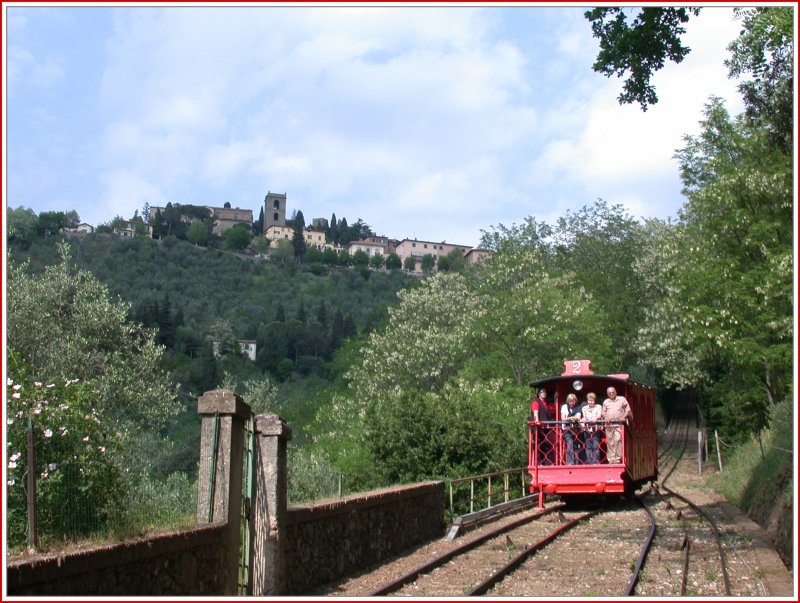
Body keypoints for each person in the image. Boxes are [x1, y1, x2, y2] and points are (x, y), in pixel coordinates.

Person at [602, 386, 632, 464]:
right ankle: (611, 459)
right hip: (609, 424)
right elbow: (603, 412)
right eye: (609, 393)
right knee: (610, 441)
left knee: (618, 439)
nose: (611, 394)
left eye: (613, 392)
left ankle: (617, 458)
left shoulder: (622, 399)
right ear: (607, 394)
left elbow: (627, 410)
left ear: (616, 392)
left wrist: (623, 417)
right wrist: (606, 417)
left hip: (619, 423)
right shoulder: (606, 402)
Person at [530, 388, 553, 465]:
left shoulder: (545, 403)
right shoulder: (536, 402)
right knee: (539, 444)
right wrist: (537, 421)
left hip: (544, 427)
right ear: (539, 394)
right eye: (542, 392)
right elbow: (535, 412)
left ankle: (546, 462)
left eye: (545, 392)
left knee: (545, 444)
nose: (543, 393)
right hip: (538, 428)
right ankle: (540, 462)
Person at [581, 392, 602, 464]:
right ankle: (589, 462)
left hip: (596, 428)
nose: (590, 402)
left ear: (594, 401)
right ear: (587, 400)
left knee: (595, 446)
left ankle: (595, 462)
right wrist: (583, 419)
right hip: (587, 429)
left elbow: (599, 415)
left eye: (592, 400)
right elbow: (584, 416)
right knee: (588, 446)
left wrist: (596, 417)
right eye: (589, 400)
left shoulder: (598, 407)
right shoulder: (584, 408)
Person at [560, 393, 582, 465]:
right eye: (570, 401)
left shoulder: (578, 407)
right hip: (567, 429)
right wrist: (570, 418)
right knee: (570, 443)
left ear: (575, 401)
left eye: (573, 401)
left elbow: (578, 417)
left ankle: (577, 462)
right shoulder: (564, 407)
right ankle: (570, 462)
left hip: (576, 429)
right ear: (568, 401)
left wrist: (573, 418)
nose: (571, 403)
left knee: (576, 445)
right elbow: (563, 418)